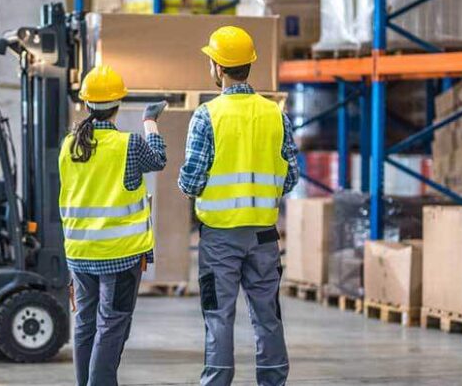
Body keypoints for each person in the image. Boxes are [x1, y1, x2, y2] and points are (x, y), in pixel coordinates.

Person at [179, 26, 299, 386]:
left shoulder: (207, 115)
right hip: (264, 236)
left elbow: (192, 181)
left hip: (219, 239)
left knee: (218, 315)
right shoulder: (275, 114)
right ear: (249, 64)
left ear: (217, 67)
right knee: (268, 315)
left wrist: (190, 186)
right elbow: (291, 177)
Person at [58, 65, 168, 386]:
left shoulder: (69, 145)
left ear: (86, 104)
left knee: (85, 323)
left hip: (79, 253)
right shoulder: (128, 145)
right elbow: (158, 159)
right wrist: (150, 122)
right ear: (118, 105)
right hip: (120, 256)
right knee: (111, 325)